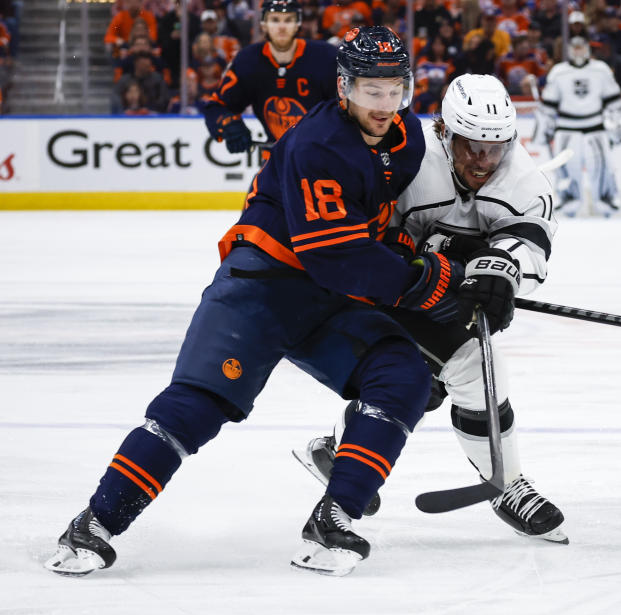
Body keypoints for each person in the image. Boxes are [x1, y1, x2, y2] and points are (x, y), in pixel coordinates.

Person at [44, 26, 462, 578]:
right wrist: (423, 282)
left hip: (327, 298)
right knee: (195, 408)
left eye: (395, 90)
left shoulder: (406, 137)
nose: (384, 105)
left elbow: (385, 221)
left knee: (403, 375)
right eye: (370, 91)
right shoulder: (319, 145)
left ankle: (334, 518)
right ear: (343, 88)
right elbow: (335, 253)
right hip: (259, 286)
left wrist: (464, 264)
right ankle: (94, 525)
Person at [297, 74, 567, 543]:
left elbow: (530, 241)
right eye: (471, 146)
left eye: (495, 147)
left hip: (447, 295)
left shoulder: (523, 179)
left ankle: (505, 483)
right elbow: (360, 234)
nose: (483, 161)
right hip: (389, 287)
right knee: (414, 381)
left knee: (477, 374)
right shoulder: (407, 157)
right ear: (444, 131)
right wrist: (411, 265)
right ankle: (345, 455)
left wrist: (500, 268)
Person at [202, 0, 338, 156]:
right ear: (263, 24)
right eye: (275, 20)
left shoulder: (325, 57)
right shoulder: (248, 60)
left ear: (297, 23)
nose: (281, 27)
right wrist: (229, 125)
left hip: (323, 161)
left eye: (288, 20)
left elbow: (349, 108)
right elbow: (217, 105)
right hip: (276, 161)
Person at [538, 36, 621, 218]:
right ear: (569, 50)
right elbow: (548, 105)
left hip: (595, 127)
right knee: (567, 169)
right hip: (566, 128)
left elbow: (614, 101)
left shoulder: (601, 70)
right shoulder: (559, 72)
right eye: (574, 47)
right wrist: (545, 125)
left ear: (587, 49)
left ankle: (606, 202)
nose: (578, 51)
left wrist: (616, 121)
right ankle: (568, 202)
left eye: (581, 47)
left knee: (602, 167)